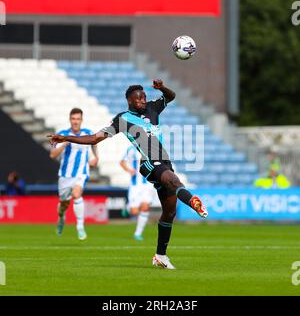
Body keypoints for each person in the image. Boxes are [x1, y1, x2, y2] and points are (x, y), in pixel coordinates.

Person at [48, 79, 207, 269]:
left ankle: (160, 256)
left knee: (169, 211)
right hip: (148, 163)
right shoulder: (122, 119)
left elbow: (171, 96)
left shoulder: (153, 108)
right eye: (138, 99)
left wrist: (162, 88)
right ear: (130, 101)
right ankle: (193, 202)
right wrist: (66, 137)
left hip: (165, 162)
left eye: (144, 98)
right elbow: (94, 138)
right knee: (173, 180)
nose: (142, 101)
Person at [49, 108, 99, 240]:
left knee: (77, 195)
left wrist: (96, 157)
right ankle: (61, 219)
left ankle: (80, 226)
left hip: (81, 173)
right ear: (70, 120)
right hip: (65, 175)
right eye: (73, 119)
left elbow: (94, 143)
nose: (75, 121)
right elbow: (52, 154)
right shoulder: (62, 134)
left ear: (81, 120)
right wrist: (65, 141)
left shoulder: (87, 133)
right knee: (63, 204)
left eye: (78, 119)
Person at [120, 145, 155, 241]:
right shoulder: (131, 149)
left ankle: (138, 233)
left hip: (148, 184)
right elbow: (122, 162)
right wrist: (129, 170)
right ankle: (128, 207)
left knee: (145, 207)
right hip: (135, 185)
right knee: (134, 212)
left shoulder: (151, 149)